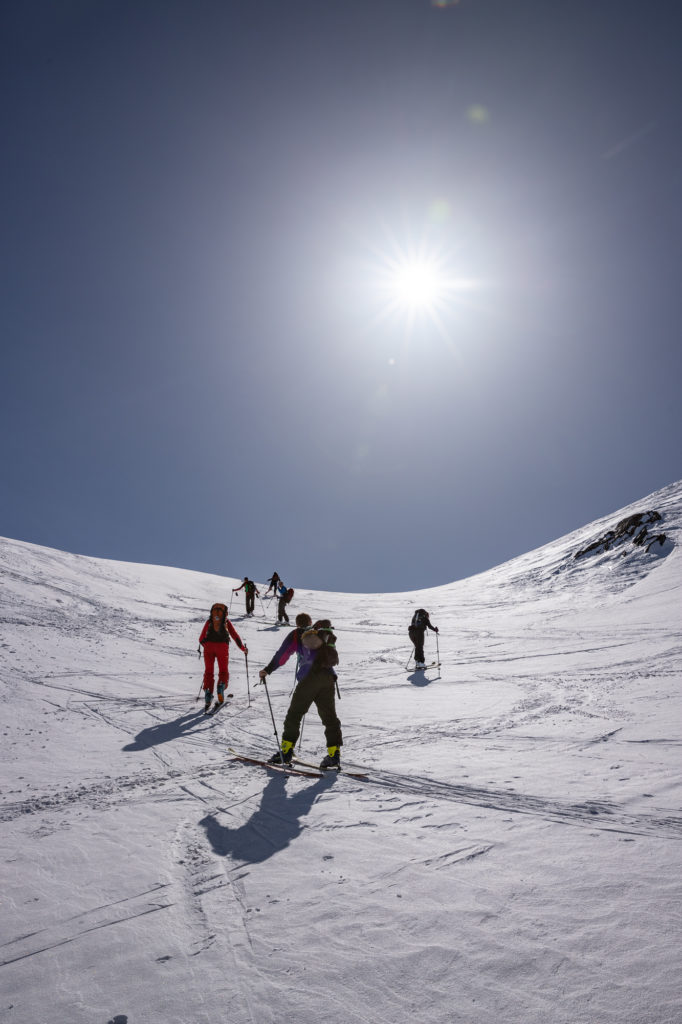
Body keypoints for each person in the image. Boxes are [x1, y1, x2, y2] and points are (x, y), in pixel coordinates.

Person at [259, 614, 342, 770]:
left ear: (297, 624)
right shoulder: (322, 634)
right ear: (311, 622)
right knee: (329, 717)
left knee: (294, 715)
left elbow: (282, 656)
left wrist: (267, 670)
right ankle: (334, 755)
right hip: (328, 678)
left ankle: (286, 751)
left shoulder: (298, 635)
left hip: (309, 679)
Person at [199, 603, 248, 712]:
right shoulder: (226, 622)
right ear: (225, 613)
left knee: (208, 672)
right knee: (223, 671)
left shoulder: (209, 621)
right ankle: (221, 687)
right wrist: (243, 649)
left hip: (208, 648)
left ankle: (208, 695)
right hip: (222, 647)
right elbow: (235, 636)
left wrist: (207, 646)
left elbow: (201, 638)